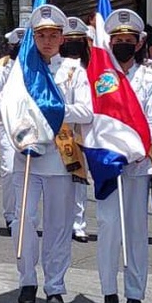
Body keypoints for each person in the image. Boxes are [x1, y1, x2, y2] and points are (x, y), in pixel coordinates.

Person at [6, 4, 92, 303]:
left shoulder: (72, 70)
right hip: (27, 155)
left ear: (62, 38)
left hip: (61, 157)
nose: (47, 41)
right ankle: (27, 280)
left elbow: (86, 111)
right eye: (41, 35)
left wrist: (52, 111)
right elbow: (9, 109)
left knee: (59, 224)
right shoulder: (22, 69)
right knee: (24, 221)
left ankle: (54, 285)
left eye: (53, 35)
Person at [97, 9, 152, 303]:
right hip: (108, 166)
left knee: (136, 231)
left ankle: (135, 295)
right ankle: (109, 293)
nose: (123, 45)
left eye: (129, 40)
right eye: (118, 40)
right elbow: (95, 118)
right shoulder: (101, 76)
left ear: (139, 44)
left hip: (137, 166)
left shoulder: (151, 77)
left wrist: (134, 148)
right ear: (109, 42)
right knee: (109, 228)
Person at [58, 17, 91, 244]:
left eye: (77, 41)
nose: (72, 45)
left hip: (83, 131)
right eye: (68, 40)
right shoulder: (59, 68)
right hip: (59, 133)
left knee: (79, 181)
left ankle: (78, 223)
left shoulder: (91, 68)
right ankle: (61, 221)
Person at [0, 27, 23, 234]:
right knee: (9, 168)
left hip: (28, 125)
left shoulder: (35, 67)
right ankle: (10, 214)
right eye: (17, 46)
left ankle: (24, 214)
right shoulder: (2, 66)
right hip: (6, 123)